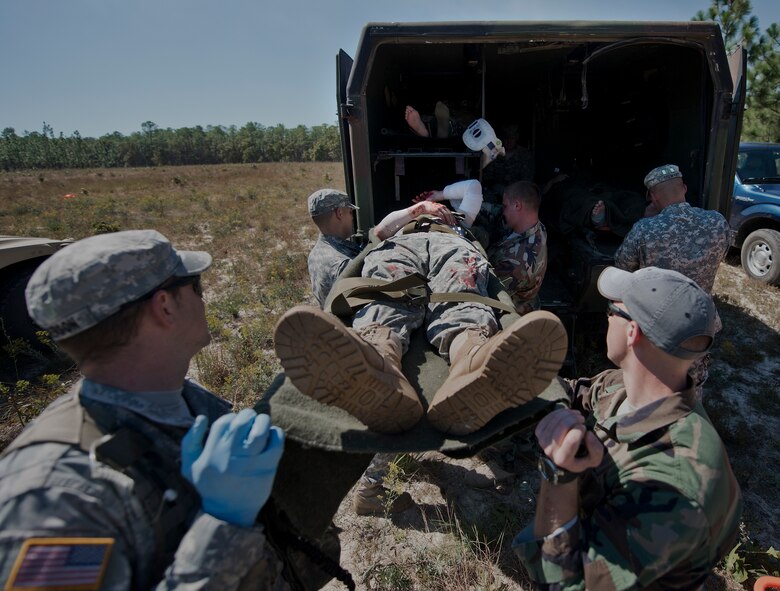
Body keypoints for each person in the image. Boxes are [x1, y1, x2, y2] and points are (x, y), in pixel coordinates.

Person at [0, 230, 287, 589]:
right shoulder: (54, 499)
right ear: (165, 306)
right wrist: (222, 525)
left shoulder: (174, 400)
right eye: (194, 285)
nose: (203, 298)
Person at [513, 266, 742, 589]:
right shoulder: (635, 387)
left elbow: (568, 585)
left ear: (632, 332)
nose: (607, 319)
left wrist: (557, 476)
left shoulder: (672, 488)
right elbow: (578, 393)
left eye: (612, 310)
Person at [279, 184, 566, 437]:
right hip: (401, 245)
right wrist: (419, 208)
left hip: (452, 244)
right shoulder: (404, 219)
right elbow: (379, 231)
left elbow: (473, 187)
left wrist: (442, 197)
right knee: (388, 288)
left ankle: (471, 360)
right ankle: (378, 359)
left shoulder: (461, 220)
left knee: (461, 292)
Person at [614, 164, 731, 398]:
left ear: (653, 197)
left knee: (653, 386)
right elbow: (723, 254)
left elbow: (622, 267)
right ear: (684, 188)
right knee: (691, 384)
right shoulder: (718, 222)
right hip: (700, 323)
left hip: (659, 326)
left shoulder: (645, 229)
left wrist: (645, 222)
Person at [307, 188, 362, 308]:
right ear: (339, 213)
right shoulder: (344, 263)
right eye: (350, 212)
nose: (352, 218)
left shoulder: (314, 254)